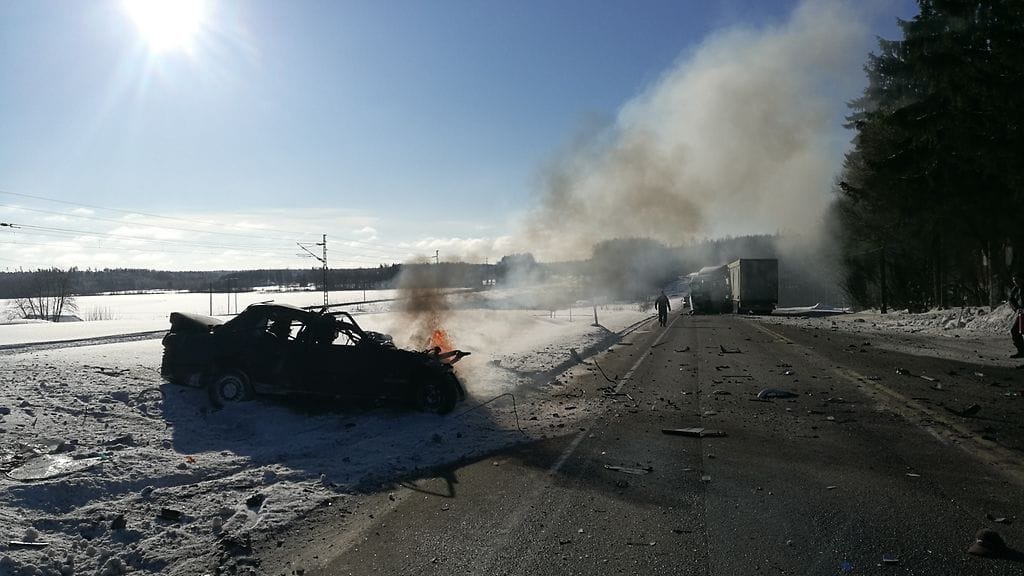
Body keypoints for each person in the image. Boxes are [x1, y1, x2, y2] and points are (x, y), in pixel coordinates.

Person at [1010, 272, 1024, 358]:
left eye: (1017, 280)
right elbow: (1011, 299)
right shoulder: (1015, 289)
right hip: (1022, 312)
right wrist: (1016, 308)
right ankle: (1021, 351)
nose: (1015, 282)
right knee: (1015, 331)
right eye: (1014, 280)